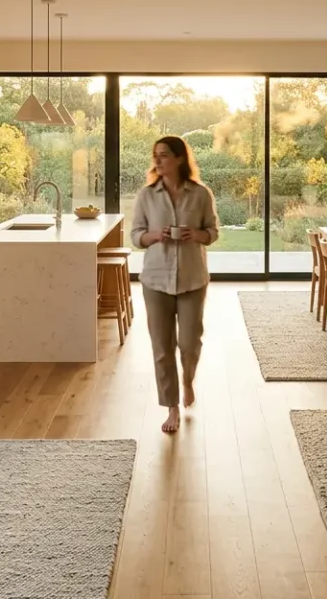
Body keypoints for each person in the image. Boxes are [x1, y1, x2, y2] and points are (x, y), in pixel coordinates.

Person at [130, 135, 219, 433]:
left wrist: (198, 234)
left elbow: (213, 231)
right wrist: (155, 235)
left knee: (190, 342)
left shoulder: (201, 194)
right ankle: (171, 407)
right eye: (155, 155)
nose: (158, 160)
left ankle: (188, 380)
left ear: (180, 158)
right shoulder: (146, 195)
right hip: (155, 280)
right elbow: (135, 236)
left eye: (164, 155)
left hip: (193, 279)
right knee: (162, 347)